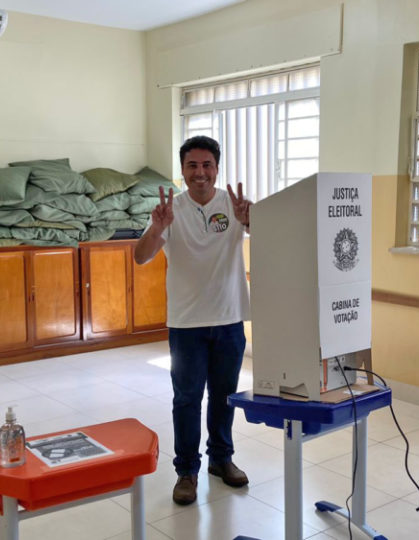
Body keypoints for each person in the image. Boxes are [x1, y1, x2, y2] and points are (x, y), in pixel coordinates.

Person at [133, 135, 252, 506]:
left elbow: (272, 240)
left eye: (207, 165)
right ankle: (186, 470)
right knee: (187, 399)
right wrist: (156, 229)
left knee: (224, 396)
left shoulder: (234, 206)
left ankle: (221, 459)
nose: (200, 173)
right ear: (183, 171)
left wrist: (252, 220)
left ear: (217, 168)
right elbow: (140, 257)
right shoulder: (171, 210)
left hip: (229, 317)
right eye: (192, 166)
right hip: (186, 323)